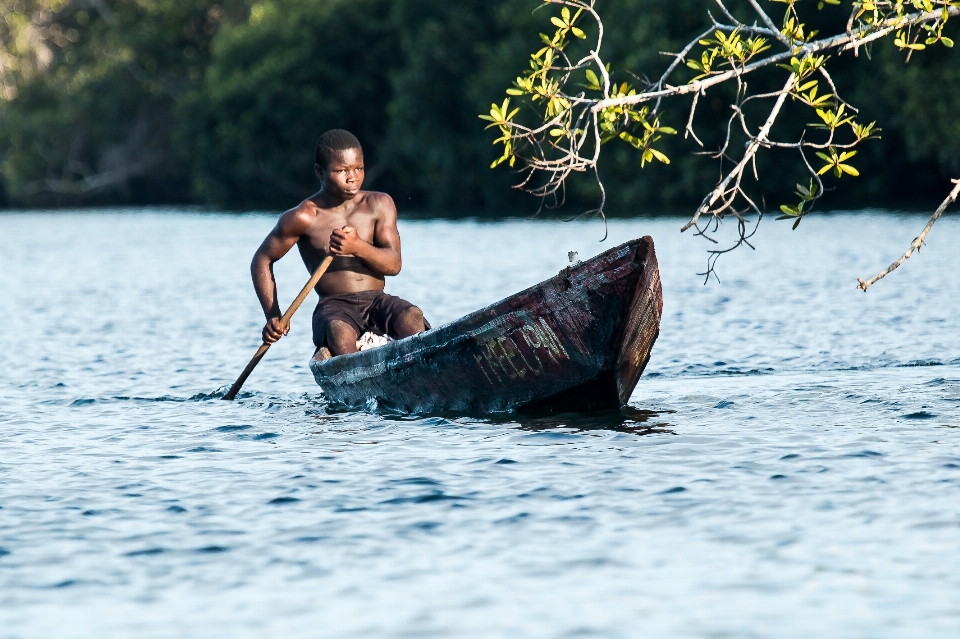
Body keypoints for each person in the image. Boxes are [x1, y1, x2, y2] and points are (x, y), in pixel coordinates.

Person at [250, 129, 428, 360]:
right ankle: (360, 380)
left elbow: (393, 265)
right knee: (339, 332)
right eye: (342, 170)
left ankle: (426, 370)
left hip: (377, 299)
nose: (352, 176)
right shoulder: (304, 217)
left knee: (412, 316)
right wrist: (273, 315)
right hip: (334, 306)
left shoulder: (379, 204)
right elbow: (262, 260)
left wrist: (357, 247)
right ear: (319, 172)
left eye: (358, 169)